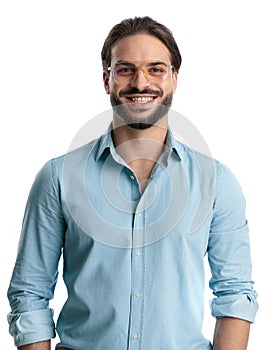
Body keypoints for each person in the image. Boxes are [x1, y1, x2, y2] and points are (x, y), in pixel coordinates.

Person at [7, 16, 258, 350]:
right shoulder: (58, 177)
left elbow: (235, 294)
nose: (141, 83)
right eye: (125, 69)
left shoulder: (216, 183)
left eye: (156, 69)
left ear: (174, 79)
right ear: (106, 80)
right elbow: (30, 294)